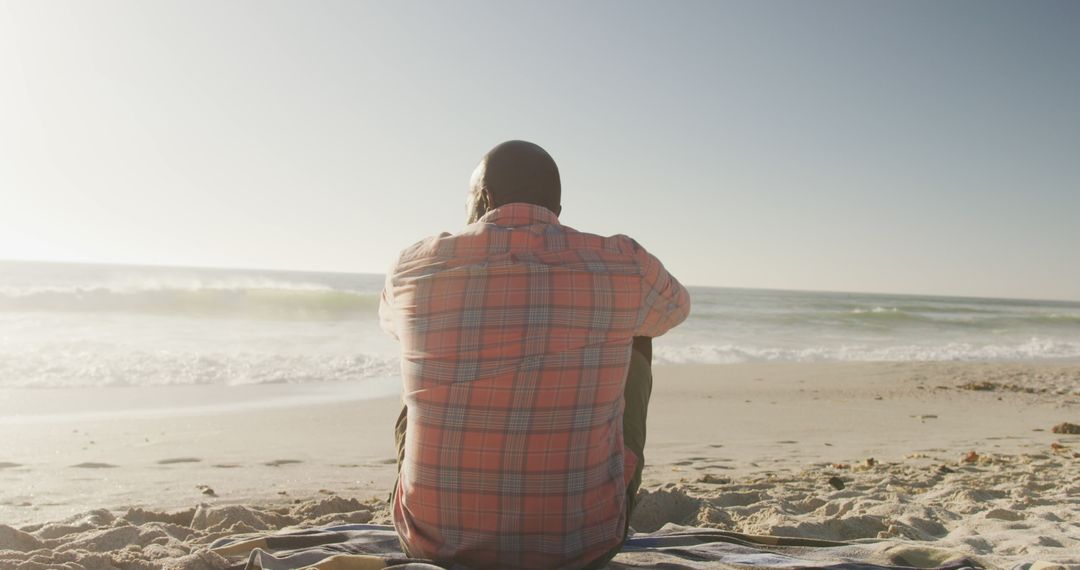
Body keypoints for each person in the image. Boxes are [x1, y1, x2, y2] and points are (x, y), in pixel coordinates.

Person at [379, 140, 690, 569]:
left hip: (432, 543)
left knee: (420, 349)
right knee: (639, 331)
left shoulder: (413, 266)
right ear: (557, 208)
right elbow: (675, 310)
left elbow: (394, 325)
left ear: (484, 198)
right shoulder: (626, 264)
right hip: (582, 547)